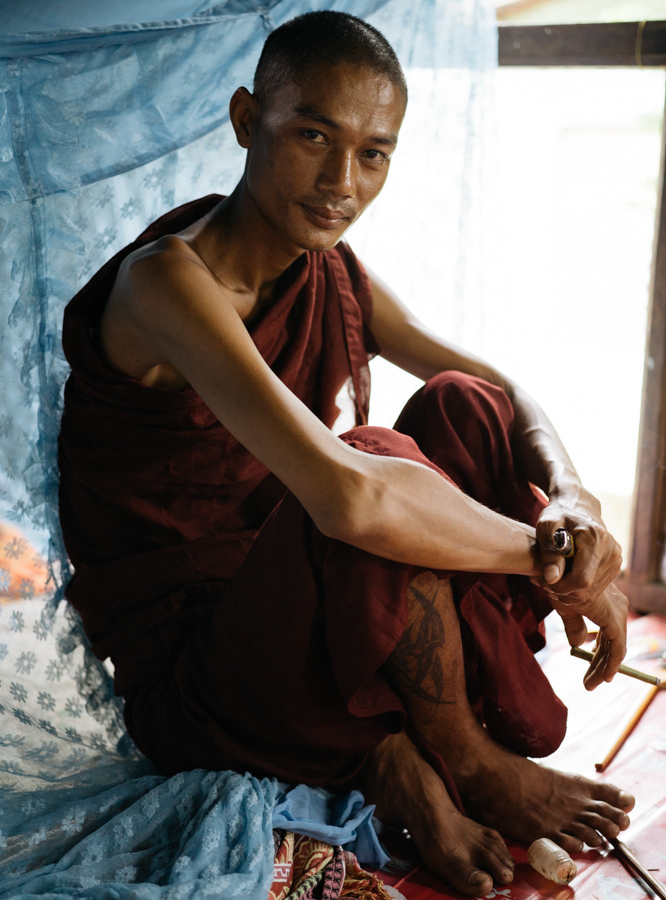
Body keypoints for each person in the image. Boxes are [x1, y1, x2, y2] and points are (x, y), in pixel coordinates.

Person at [58, 10, 634, 897]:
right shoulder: (165, 282)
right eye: (313, 137)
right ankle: (463, 758)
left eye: (373, 154)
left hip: (305, 607)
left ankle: (393, 746)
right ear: (247, 120)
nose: (341, 182)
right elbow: (351, 499)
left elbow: (500, 386)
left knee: (464, 404)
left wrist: (573, 505)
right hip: (207, 670)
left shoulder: (326, 267)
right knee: (370, 462)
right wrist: (555, 566)